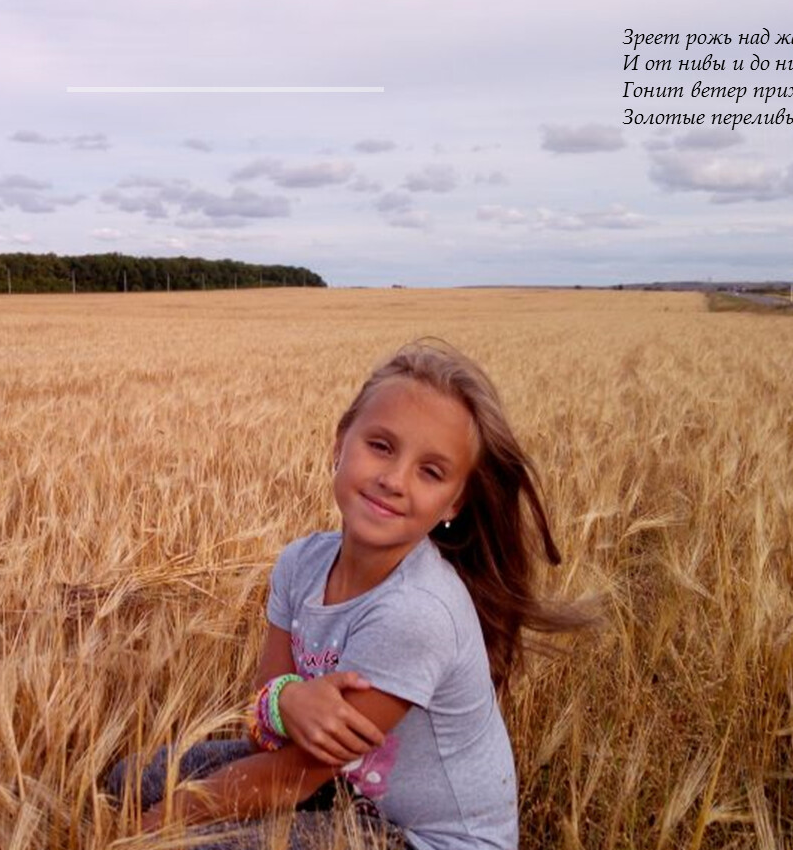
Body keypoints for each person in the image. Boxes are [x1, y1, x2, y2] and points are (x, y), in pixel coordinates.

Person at [105, 339, 596, 849]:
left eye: (430, 472)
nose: (393, 480)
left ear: (454, 501)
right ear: (340, 443)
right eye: (381, 446)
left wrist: (156, 829)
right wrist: (286, 700)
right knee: (131, 779)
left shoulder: (415, 614)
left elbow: (294, 775)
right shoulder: (300, 564)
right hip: (340, 788)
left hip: (421, 838)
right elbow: (261, 726)